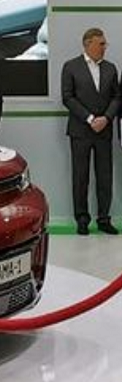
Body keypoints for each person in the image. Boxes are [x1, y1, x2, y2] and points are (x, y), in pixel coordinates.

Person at [61, 28, 121, 235]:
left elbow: (117, 97)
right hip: (80, 131)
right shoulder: (70, 66)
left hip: (104, 131)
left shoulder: (110, 68)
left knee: (105, 176)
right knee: (81, 177)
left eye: (105, 43)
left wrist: (106, 118)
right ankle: (82, 219)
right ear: (88, 44)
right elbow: (67, 97)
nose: (105, 47)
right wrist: (89, 118)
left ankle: (104, 219)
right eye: (101, 43)